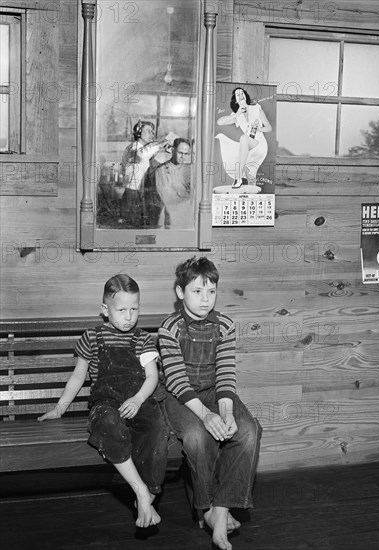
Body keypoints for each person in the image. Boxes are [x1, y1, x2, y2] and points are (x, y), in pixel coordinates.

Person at [38, 274, 168, 529]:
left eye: (134, 309)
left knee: (158, 428)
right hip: (106, 402)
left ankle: (149, 492)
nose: (128, 316)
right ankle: (140, 490)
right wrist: (59, 407)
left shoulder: (142, 339)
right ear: (105, 310)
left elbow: (152, 377)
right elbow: (77, 377)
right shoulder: (92, 337)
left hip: (137, 400)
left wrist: (139, 398)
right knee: (109, 424)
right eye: (121, 310)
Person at [158, 257, 262, 550]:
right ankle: (206, 508)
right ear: (180, 293)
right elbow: (177, 381)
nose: (205, 300)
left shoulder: (225, 325)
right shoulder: (170, 328)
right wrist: (206, 416)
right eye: (196, 292)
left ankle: (222, 510)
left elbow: (226, 373)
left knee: (248, 431)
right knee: (196, 436)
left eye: (211, 292)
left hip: (216, 393)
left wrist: (226, 412)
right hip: (182, 397)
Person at [216, 87, 272, 189]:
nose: (241, 95)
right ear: (235, 100)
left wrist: (260, 128)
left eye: (242, 93)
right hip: (247, 148)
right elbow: (220, 122)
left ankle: (238, 178)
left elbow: (269, 127)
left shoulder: (256, 108)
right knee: (251, 176)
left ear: (246, 96)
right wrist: (236, 114)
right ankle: (252, 199)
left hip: (259, 144)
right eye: (238, 94)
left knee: (243, 138)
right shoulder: (237, 115)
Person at [119, 120, 170, 226]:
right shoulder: (132, 148)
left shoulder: (145, 150)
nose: (151, 134)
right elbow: (141, 155)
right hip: (131, 196)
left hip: (141, 194)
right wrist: (160, 145)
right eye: (148, 131)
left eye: (152, 132)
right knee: (131, 229)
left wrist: (165, 153)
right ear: (138, 133)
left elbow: (149, 166)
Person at [153, 138, 193, 228]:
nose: (183, 157)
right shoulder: (162, 170)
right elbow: (168, 197)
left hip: (188, 220)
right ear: (172, 150)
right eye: (180, 153)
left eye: (186, 154)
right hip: (171, 219)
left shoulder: (189, 169)